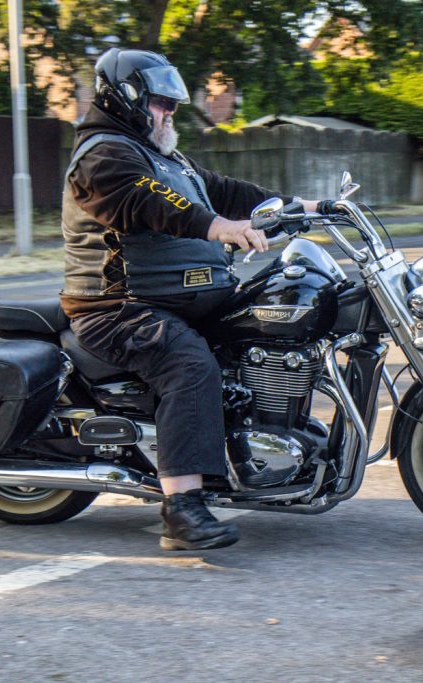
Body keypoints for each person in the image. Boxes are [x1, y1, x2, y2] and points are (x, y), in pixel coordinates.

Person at [61, 48, 318, 551]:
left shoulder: (165, 157)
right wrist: (219, 227)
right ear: (127, 99)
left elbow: (225, 191)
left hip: (178, 298)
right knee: (189, 365)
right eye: (161, 103)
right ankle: (182, 508)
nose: (170, 112)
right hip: (118, 307)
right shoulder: (102, 156)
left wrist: (309, 206)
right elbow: (151, 201)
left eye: (173, 104)